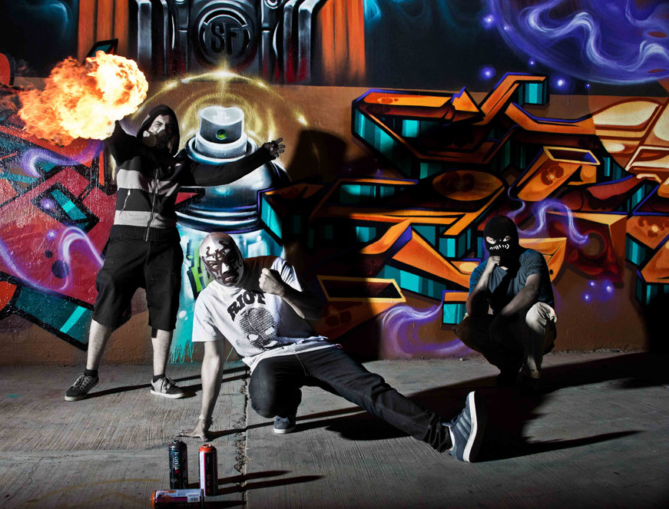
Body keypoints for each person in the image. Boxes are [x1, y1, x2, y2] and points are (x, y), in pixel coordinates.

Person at [181, 232, 487, 462]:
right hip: (268, 360)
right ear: (207, 268)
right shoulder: (208, 301)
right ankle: (287, 405)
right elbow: (212, 360)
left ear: (239, 253)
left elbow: (316, 312)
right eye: (215, 266)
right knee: (265, 400)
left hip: (312, 348)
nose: (225, 270)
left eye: (230, 260)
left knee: (369, 389)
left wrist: (282, 290)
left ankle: (447, 438)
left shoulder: (273, 266)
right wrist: (203, 421)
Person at [64, 105, 285, 402]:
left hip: (164, 247)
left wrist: (261, 155)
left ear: (174, 137)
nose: (162, 129)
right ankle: (89, 373)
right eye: (157, 123)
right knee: (107, 304)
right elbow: (111, 127)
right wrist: (105, 101)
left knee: (164, 311)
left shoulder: (181, 166)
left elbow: (222, 173)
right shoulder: (128, 151)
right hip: (125, 244)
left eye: (168, 126)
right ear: (145, 128)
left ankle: (159, 379)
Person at [455, 215, 557, 393]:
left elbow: (531, 290)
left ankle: (530, 374)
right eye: (493, 241)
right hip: (505, 331)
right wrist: (487, 274)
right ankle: (509, 367)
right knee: (466, 326)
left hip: (538, 331)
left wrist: (501, 316)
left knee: (535, 312)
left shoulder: (531, 258)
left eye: (505, 240)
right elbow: (473, 311)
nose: (499, 245)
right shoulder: (481, 271)